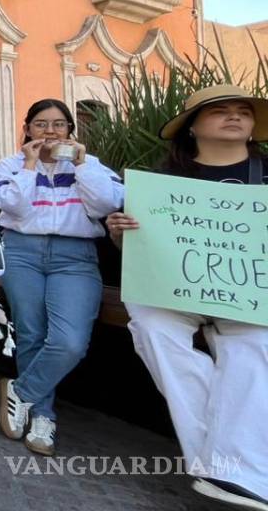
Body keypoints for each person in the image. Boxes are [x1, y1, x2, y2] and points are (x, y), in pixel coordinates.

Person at [106, 84, 268, 511]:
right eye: (220, 111)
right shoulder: (161, 181)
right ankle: (232, 469)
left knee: (252, 350)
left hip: (252, 292)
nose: (235, 117)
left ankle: (227, 470)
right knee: (152, 330)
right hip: (174, 291)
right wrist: (121, 235)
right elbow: (142, 255)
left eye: (243, 111)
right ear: (192, 127)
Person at [0, 99, 123, 456]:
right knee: (31, 332)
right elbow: (11, 206)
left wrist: (80, 165)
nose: (50, 131)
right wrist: (30, 166)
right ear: (27, 129)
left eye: (59, 124)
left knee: (70, 341)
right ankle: (43, 417)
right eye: (41, 124)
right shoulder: (10, 165)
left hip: (75, 257)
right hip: (22, 251)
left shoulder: (90, 165)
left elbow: (107, 205)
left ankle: (21, 391)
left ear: (70, 130)